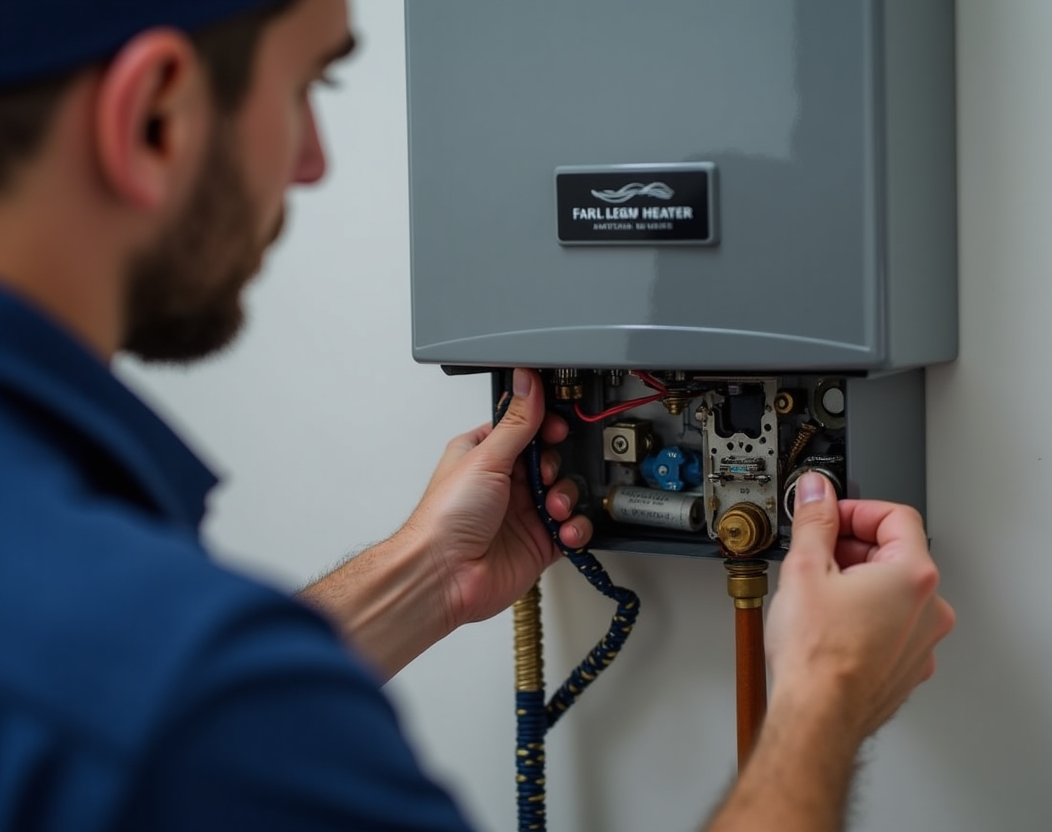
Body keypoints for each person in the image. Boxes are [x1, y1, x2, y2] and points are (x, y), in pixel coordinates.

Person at [0, 0, 956, 829]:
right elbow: (182, 719)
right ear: (156, 117)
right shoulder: (187, 704)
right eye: (307, 91)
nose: (314, 165)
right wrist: (824, 697)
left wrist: (425, 574)